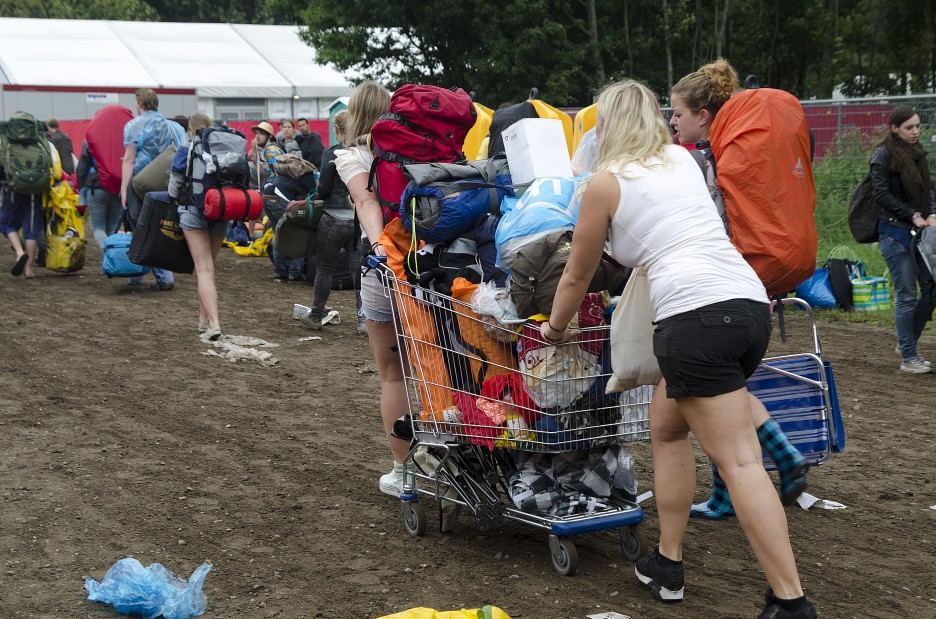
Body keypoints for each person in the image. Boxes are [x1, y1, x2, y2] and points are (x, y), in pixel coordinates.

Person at [543, 79, 817, 618]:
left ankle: (790, 602)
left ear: (605, 125)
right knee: (667, 426)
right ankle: (667, 561)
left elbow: (578, 274)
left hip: (694, 319)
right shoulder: (683, 159)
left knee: (740, 461)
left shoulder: (604, 183)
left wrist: (554, 330)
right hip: (745, 305)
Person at [669, 59, 809, 520]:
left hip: (729, 276)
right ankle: (767, 465)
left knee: (709, 387)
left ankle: (764, 467)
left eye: (678, 114)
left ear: (703, 116)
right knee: (724, 386)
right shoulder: (733, 150)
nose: (673, 122)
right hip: (764, 269)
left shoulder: (709, 160)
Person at [333, 81, 410, 496]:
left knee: (392, 375)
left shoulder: (354, 156)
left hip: (385, 269)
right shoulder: (416, 148)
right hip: (432, 268)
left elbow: (365, 201)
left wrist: (381, 245)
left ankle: (405, 471)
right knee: (444, 366)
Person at [871, 104, 936, 373]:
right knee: (907, 294)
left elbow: (928, 187)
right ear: (894, 128)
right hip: (894, 233)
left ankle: (907, 341)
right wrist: (912, 214)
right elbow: (881, 195)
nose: (915, 132)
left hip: (919, 234)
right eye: (909, 127)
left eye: (918, 126)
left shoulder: (918, 153)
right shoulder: (883, 156)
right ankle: (908, 357)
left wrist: (931, 213)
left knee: (932, 287)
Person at [299, 110, 363, 332]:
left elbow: (323, 189)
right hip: (357, 220)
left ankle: (316, 315)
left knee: (325, 269)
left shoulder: (331, 153)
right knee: (358, 271)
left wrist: (318, 191)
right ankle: (363, 320)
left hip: (333, 218)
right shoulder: (361, 151)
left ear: (336, 130)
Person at [168, 112, 227, 342]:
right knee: (210, 268)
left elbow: (175, 185)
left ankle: (214, 324)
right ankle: (203, 321)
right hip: (221, 211)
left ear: (190, 128)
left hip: (194, 211)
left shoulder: (185, 148)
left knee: (203, 269)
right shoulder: (220, 147)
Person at [120, 88, 186, 290]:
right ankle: (164, 275)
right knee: (158, 225)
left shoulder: (133, 125)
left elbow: (129, 159)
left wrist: (123, 189)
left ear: (139, 103)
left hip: (139, 180)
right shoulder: (168, 124)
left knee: (137, 226)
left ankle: (138, 275)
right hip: (161, 180)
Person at [252, 121, 301, 282]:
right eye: (256, 133)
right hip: (276, 195)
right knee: (286, 232)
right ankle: (291, 271)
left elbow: (278, 173)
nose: (257, 136)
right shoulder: (267, 150)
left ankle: (281, 270)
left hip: (275, 193)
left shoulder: (271, 151)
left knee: (280, 232)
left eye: (261, 133)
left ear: (268, 136)